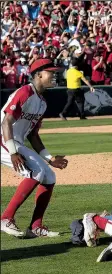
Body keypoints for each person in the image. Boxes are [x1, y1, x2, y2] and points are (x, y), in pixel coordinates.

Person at [1, 59, 68, 238]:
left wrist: (50, 158)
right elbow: (6, 121)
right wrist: (13, 152)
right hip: (4, 139)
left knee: (49, 176)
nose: (54, 76)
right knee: (36, 172)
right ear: (38, 74)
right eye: (51, 73)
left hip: (16, 142)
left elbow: (33, 135)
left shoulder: (42, 102)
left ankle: (35, 226)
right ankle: (6, 218)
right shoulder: (25, 92)